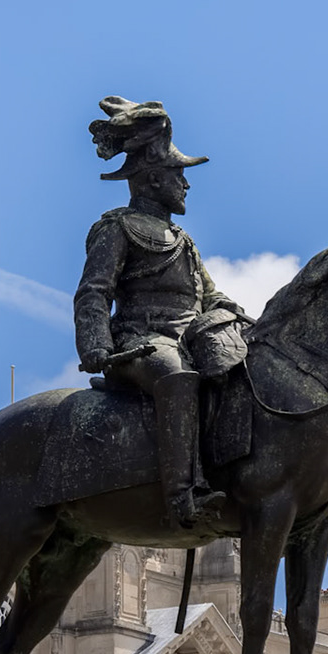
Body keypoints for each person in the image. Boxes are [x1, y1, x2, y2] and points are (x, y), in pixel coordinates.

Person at [74, 97, 248, 529]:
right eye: (179, 175)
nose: (186, 185)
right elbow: (93, 292)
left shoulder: (182, 239)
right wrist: (96, 343)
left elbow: (209, 296)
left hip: (190, 339)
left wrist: (243, 320)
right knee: (177, 376)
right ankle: (181, 496)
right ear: (152, 180)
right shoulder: (117, 228)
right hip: (140, 345)